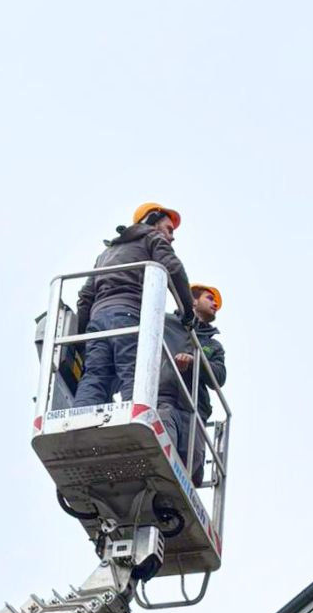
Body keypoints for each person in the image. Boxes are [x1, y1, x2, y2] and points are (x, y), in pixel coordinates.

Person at [72, 204, 194, 413]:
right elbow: (174, 269)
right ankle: (137, 420)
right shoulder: (152, 238)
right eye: (169, 229)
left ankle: (80, 419)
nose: (172, 237)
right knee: (134, 373)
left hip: (97, 321)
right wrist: (188, 311)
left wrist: (80, 339)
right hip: (128, 315)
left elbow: (85, 297)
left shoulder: (106, 253)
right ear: (152, 222)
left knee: (95, 376)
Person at [178, 284, 227, 482]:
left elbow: (219, 378)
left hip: (195, 407)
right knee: (163, 447)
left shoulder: (213, 345)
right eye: (210, 298)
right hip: (167, 398)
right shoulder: (170, 325)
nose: (215, 303)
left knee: (195, 465)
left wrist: (194, 360)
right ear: (194, 301)